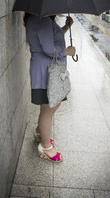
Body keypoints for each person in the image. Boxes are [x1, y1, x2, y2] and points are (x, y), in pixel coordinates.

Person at [24, 13, 76, 163]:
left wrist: (65, 28)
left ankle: (41, 132)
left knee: (48, 106)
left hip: (45, 70)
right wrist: (67, 51)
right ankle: (45, 147)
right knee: (49, 108)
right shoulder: (41, 19)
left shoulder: (40, 19)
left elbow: (49, 37)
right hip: (45, 71)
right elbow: (48, 48)